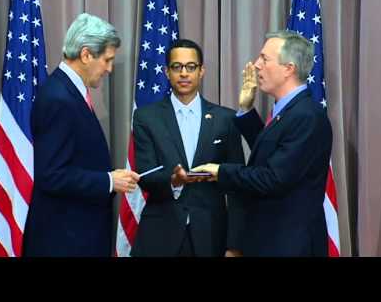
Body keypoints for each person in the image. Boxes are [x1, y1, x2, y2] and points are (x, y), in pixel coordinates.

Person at [192, 31, 333, 256]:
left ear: (289, 68)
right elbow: (272, 152)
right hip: (272, 239)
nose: (256, 65)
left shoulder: (306, 115)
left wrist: (220, 171)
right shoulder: (289, 111)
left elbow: (273, 177)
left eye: (264, 59)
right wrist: (247, 110)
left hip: (290, 244)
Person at [23, 13, 140, 257]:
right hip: (64, 241)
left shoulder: (68, 91)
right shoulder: (59, 98)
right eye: (106, 60)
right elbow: (52, 175)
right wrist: (109, 181)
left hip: (76, 237)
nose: (109, 68)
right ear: (86, 54)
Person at [130, 39, 246, 257]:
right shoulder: (146, 117)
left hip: (212, 234)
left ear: (201, 71)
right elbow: (144, 176)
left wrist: (235, 244)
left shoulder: (226, 118)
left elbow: (237, 184)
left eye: (191, 67)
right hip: (161, 234)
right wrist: (173, 180)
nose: (184, 73)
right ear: (167, 72)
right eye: (177, 67)